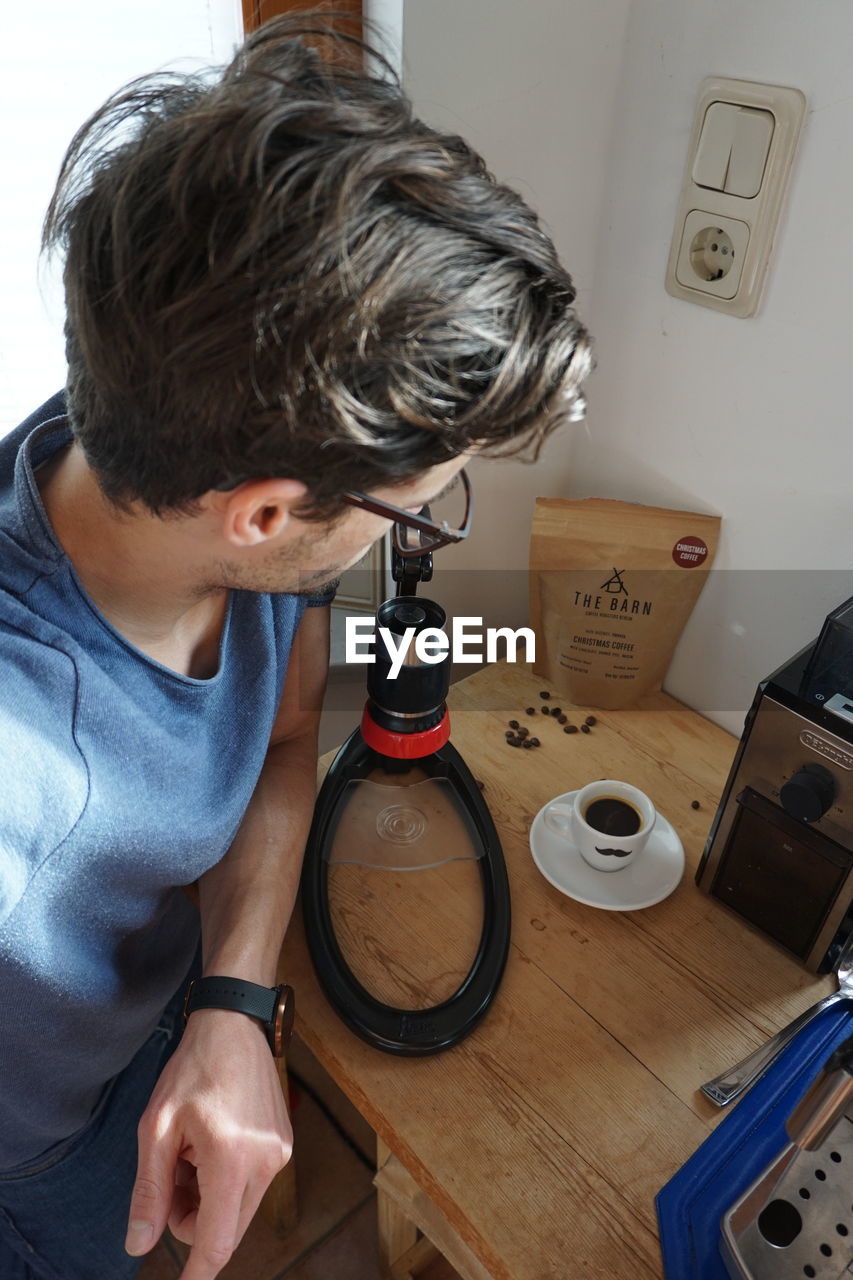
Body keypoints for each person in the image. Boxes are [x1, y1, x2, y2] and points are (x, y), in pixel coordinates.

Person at [0, 13, 592, 1280]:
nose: (421, 526)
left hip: (162, 1001)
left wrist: (229, 997)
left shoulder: (174, 438)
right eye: (417, 502)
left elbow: (278, 734)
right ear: (267, 512)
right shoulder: (21, 799)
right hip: (40, 1138)